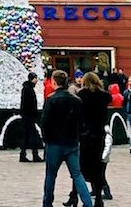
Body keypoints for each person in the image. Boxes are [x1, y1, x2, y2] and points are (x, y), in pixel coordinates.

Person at [41, 70, 94, 207]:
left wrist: (46, 139)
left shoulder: (51, 99)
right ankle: (88, 203)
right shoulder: (76, 100)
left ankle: (47, 203)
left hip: (54, 143)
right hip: (72, 142)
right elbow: (82, 122)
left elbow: (44, 122)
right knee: (77, 175)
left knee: (51, 175)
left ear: (54, 81)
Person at [75, 72, 113, 206]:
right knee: (98, 166)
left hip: (85, 135)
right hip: (99, 135)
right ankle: (98, 197)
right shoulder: (104, 96)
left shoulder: (81, 96)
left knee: (81, 166)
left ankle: (75, 196)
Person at [18, 73, 43, 163]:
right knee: (33, 135)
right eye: (36, 79)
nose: (37, 81)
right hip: (29, 116)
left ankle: (23, 154)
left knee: (27, 136)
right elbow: (28, 103)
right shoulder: (28, 89)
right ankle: (34, 154)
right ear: (32, 79)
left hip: (27, 116)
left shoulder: (27, 88)